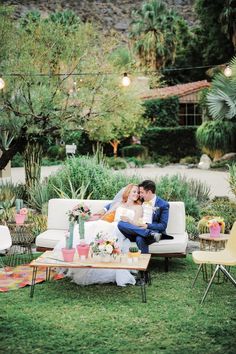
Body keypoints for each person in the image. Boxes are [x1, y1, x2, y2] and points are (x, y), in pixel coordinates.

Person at [53, 184, 143, 286]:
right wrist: (93, 218)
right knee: (93, 227)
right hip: (111, 225)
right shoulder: (119, 204)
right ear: (128, 192)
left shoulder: (138, 207)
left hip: (123, 228)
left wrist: (129, 220)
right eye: (134, 191)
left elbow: (136, 223)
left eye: (138, 192)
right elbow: (106, 215)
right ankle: (78, 259)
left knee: (106, 232)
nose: (136, 194)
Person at [118, 180, 173, 254]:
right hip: (136, 229)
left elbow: (163, 226)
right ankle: (147, 233)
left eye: (141, 192)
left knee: (139, 238)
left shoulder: (163, 205)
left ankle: (143, 263)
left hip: (152, 231)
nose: (139, 195)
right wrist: (105, 209)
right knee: (121, 223)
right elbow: (120, 202)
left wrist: (147, 226)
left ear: (149, 192)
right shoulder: (141, 199)